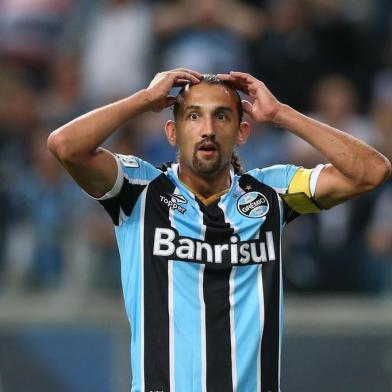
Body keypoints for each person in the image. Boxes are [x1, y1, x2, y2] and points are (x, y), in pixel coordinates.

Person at [47, 69, 391, 392]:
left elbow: (371, 172)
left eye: (222, 116)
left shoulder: (272, 194)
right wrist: (144, 99)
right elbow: (65, 145)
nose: (207, 128)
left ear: (242, 132)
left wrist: (283, 114)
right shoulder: (140, 189)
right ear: (173, 132)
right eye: (194, 116)